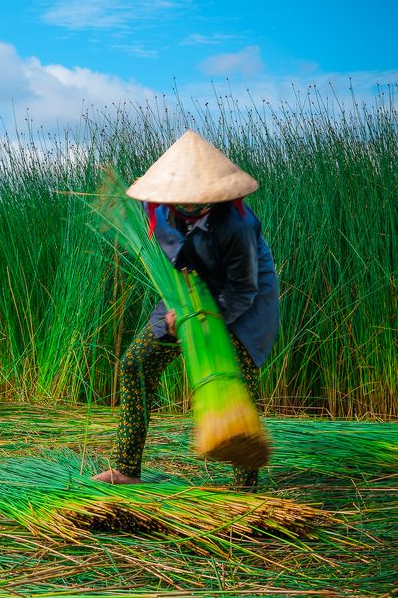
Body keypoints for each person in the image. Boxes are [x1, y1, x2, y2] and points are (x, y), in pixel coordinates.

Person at [93, 130, 280, 487]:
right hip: (185, 287)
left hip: (241, 301)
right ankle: (126, 468)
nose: (187, 206)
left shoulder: (238, 225)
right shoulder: (162, 210)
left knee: (236, 378)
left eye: (196, 199)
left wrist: (198, 319)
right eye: (180, 198)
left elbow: (243, 288)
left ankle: (245, 485)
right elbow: (168, 247)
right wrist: (183, 310)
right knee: (136, 364)